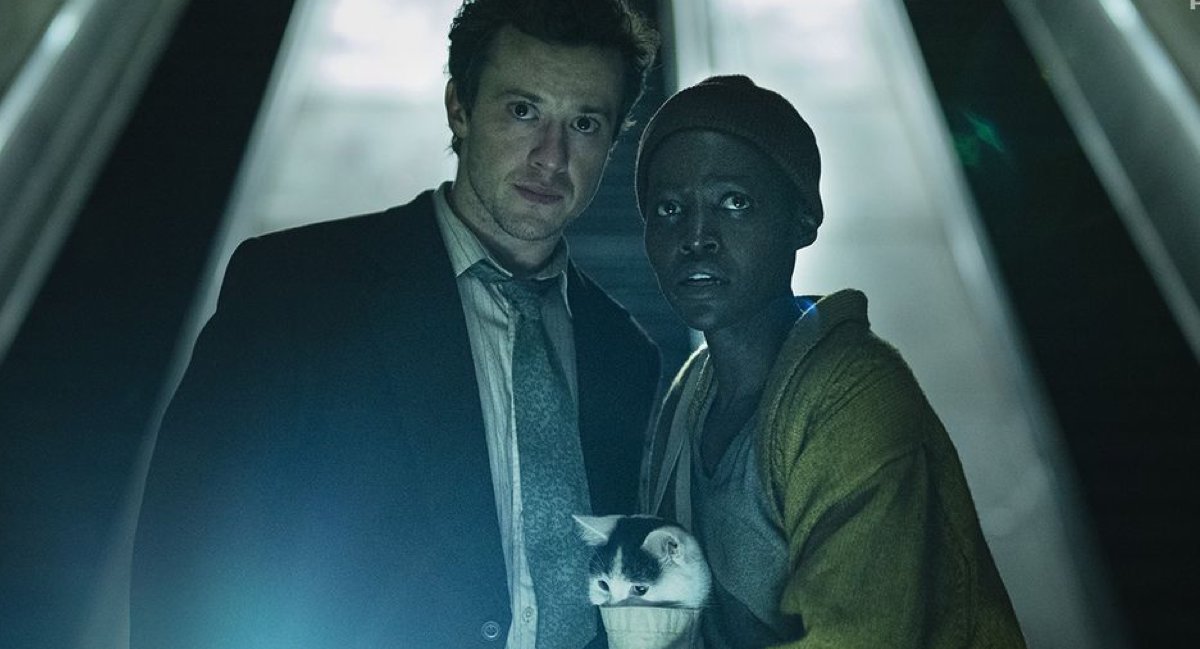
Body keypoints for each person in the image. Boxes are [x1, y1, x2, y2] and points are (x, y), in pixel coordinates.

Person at [131, 1, 661, 648]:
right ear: (459, 109)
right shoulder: (299, 292)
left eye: (584, 123)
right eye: (522, 111)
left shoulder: (623, 354)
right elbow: (184, 555)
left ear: (614, 141)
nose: (551, 157)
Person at [636, 75, 1027, 648]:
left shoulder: (856, 395)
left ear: (803, 220)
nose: (697, 236)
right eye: (669, 208)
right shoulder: (688, 395)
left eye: (734, 203)